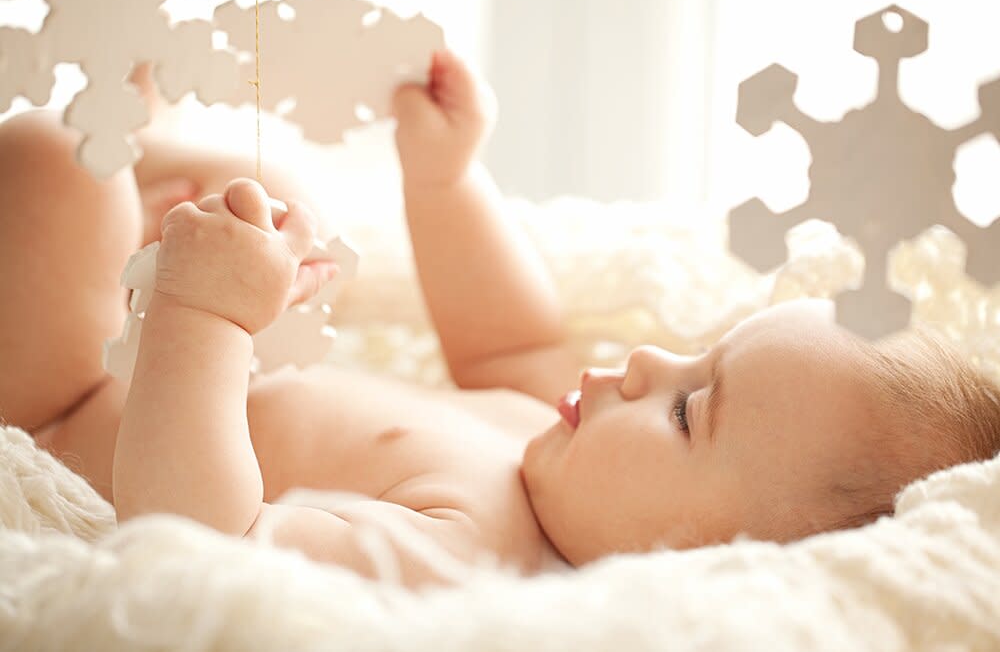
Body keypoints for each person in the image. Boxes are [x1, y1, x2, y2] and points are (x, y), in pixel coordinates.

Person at [1, 50, 998, 588]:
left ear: (705, 562)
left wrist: (202, 314)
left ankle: (98, 164)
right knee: (269, 187)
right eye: (700, 353)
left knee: (58, 169)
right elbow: (506, 340)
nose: (649, 357)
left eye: (692, 409)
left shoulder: (469, 549)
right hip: (163, 349)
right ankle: (133, 169)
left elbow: (200, 534)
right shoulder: (554, 442)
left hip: (75, 405)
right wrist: (446, 179)